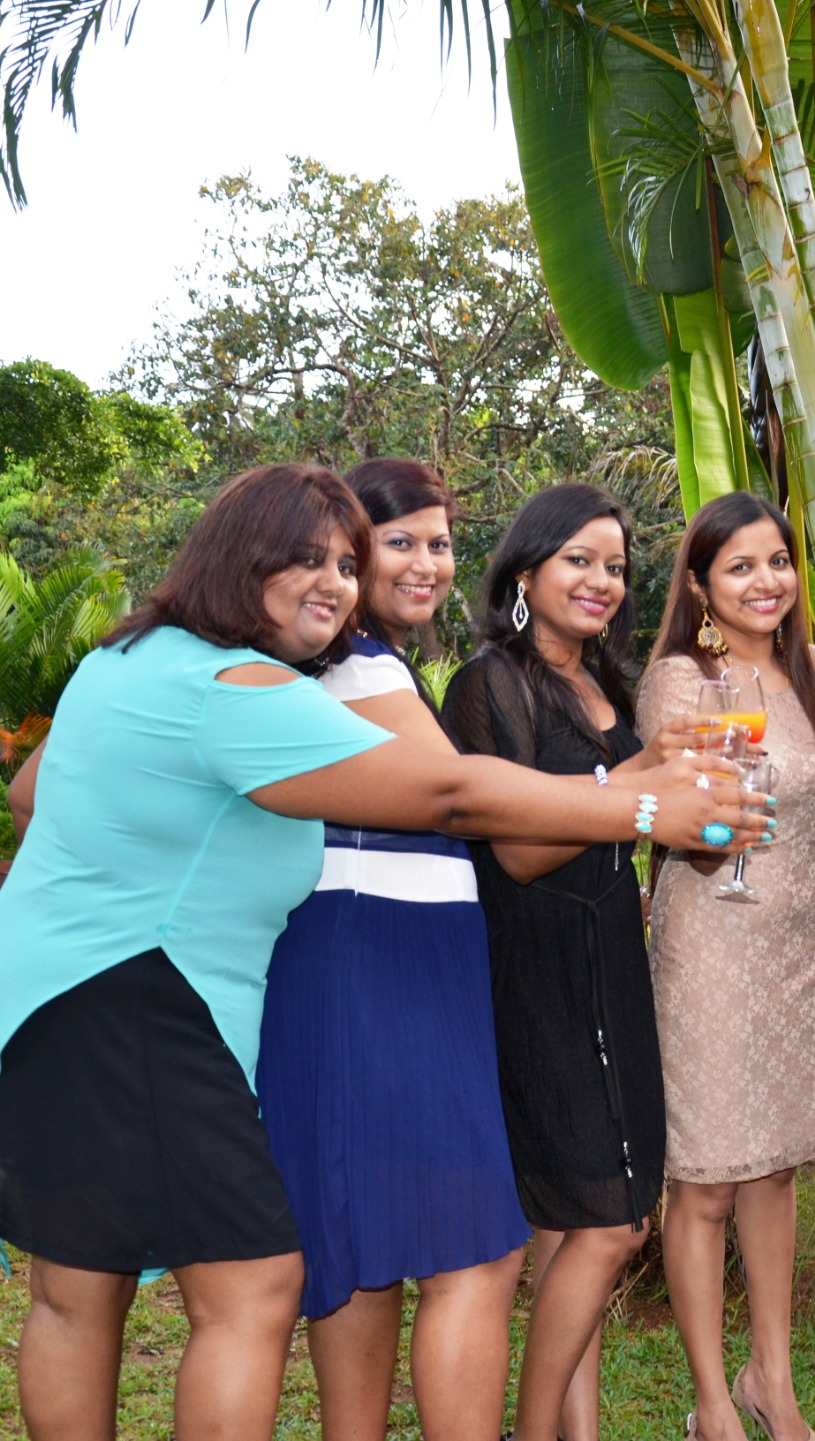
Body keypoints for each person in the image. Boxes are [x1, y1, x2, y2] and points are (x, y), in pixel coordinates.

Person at [0, 464, 764, 1441]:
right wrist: (647, 804)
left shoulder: (130, 658)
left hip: (46, 992)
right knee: (252, 1282)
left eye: (342, 562)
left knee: (79, 1288)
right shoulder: (240, 684)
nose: (335, 581)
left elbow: (32, 792)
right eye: (306, 559)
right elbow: (449, 795)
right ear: (239, 560)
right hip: (145, 998)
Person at [442, 484, 751, 1441]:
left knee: (576, 1226)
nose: (602, 580)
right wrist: (641, 781)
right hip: (538, 972)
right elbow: (522, 848)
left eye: (616, 565)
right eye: (579, 558)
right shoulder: (488, 682)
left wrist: (703, 818)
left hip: (612, 958)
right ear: (526, 568)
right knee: (614, 1221)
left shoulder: (607, 689)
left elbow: (641, 838)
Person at [256, 459, 528, 1441]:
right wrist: (640, 793)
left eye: (441, 541)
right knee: (475, 1253)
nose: (426, 562)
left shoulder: (327, 667)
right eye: (398, 541)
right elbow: (466, 798)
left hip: (348, 963)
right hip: (388, 964)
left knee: (360, 1249)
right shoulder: (366, 666)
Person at [637, 492, 815, 1441]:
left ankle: (774, 1378)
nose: (767, 582)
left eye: (777, 561)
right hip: (713, 946)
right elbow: (687, 816)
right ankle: (714, 1401)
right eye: (741, 567)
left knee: (775, 1168)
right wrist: (717, 820)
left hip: (802, 946)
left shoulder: (810, 675)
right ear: (700, 585)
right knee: (709, 1178)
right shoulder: (685, 680)